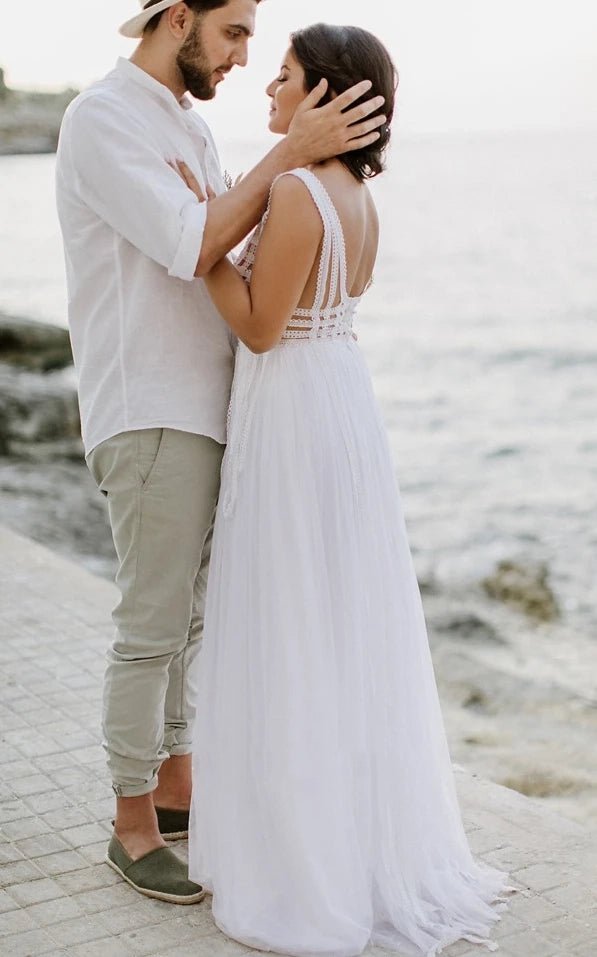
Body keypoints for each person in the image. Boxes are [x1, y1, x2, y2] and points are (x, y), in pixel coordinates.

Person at [176, 23, 513, 955]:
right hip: (338, 398)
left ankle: (303, 865)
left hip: (292, 408)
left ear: (324, 94)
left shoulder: (295, 190)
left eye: (283, 76)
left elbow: (259, 327)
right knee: (335, 617)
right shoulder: (358, 197)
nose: (268, 90)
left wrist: (202, 242)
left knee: (289, 614)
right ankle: (347, 840)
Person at [55, 0, 386, 905]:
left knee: (192, 623)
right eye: (234, 31)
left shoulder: (189, 127)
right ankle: (131, 823)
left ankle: (176, 789)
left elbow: (235, 246)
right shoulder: (104, 118)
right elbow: (194, 239)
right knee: (152, 626)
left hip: (214, 404)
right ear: (177, 18)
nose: (243, 55)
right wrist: (290, 154)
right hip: (152, 403)